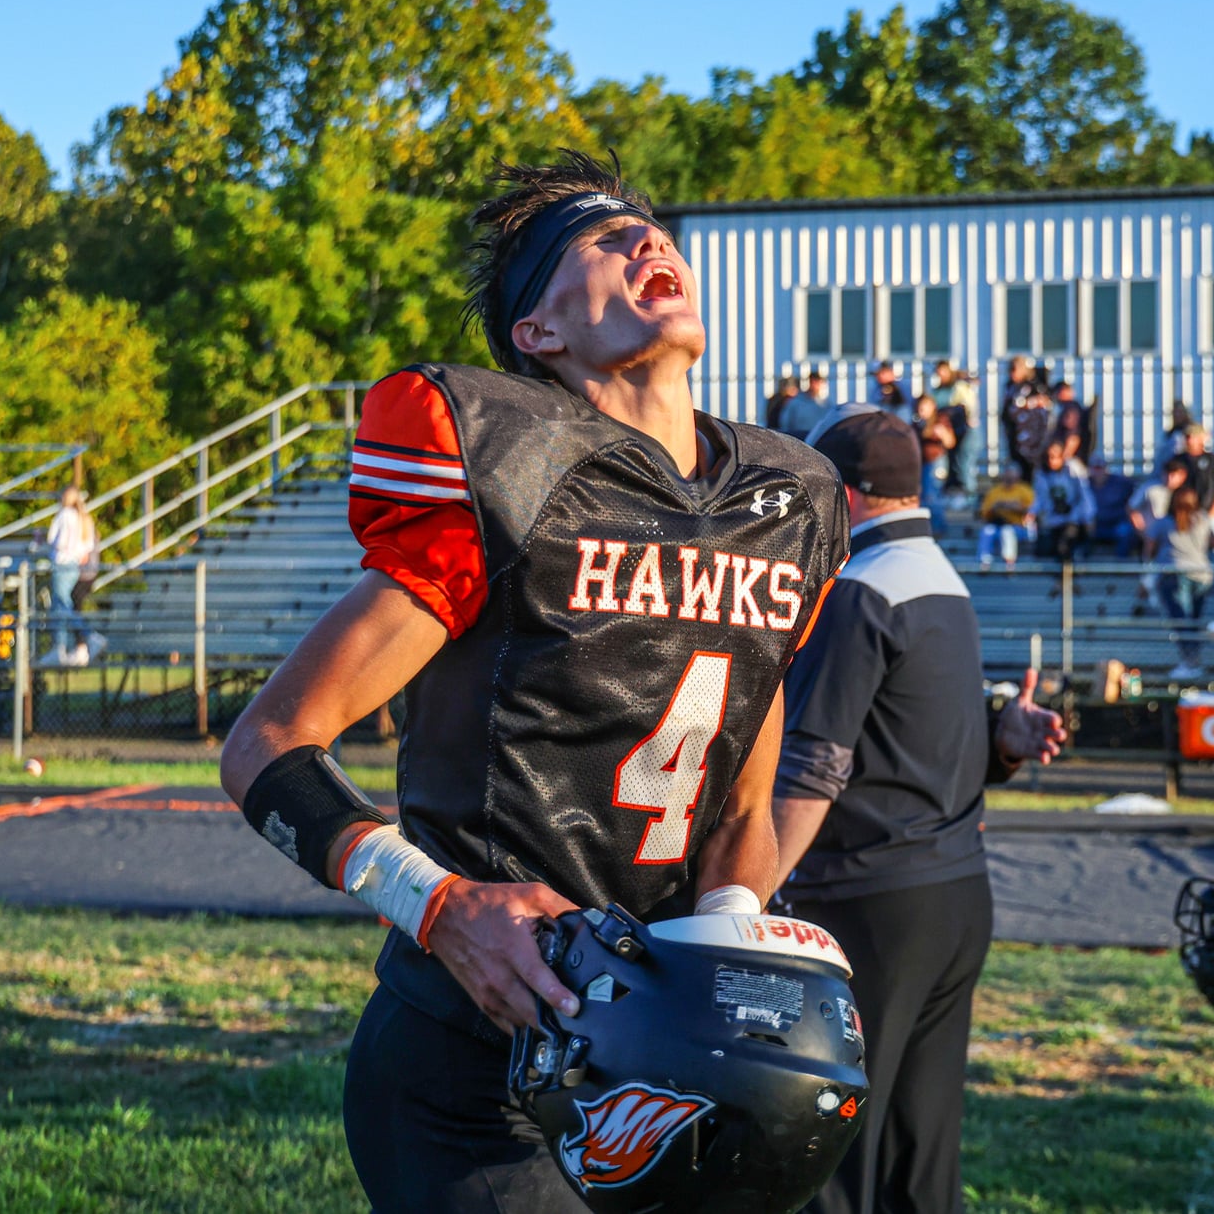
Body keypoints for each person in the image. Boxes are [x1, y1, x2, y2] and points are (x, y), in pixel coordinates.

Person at [216, 152, 848, 1212]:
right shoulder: (511, 463)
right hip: (477, 1058)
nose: (647, 241)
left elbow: (741, 798)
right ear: (536, 334)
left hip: (670, 1046)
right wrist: (440, 907)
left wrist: (729, 950)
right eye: (600, 239)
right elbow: (268, 742)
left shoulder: (785, 500)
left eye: (650, 227)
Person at [771, 406, 1066, 1214]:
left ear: (845, 493)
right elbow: (932, 738)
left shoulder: (860, 589)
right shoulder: (943, 576)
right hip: (956, 893)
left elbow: (815, 766)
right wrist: (1006, 737)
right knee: (919, 1158)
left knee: (829, 1149)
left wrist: (744, 892)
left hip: (870, 899)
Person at [1151, 485, 1214, 681]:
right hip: (1202, 575)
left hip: (1175, 574)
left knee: (1182, 622)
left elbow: (1150, 542)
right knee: (1193, 621)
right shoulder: (1203, 519)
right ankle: (1192, 661)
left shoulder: (1165, 522)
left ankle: (1190, 662)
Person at [45, 485, 98, 666]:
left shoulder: (64, 515)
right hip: (75, 565)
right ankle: (75, 642)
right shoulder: (83, 518)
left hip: (62, 563)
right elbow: (88, 546)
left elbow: (53, 539)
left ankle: (68, 644)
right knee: (63, 604)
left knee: (61, 606)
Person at [1030, 441, 1095, 562]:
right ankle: (1060, 579)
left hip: (1073, 519)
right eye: (1049, 457)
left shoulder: (1073, 470)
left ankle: (1068, 579)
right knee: (1044, 551)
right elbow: (1039, 497)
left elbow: (1085, 494)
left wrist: (1088, 517)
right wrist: (1032, 512)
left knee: (1065, 545)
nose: (1051, 461)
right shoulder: (1042, 475)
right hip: (1053, 520)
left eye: (1055, 457)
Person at [930, 361, 981, 492]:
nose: (941, 375)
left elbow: (969, 408)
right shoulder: (938, 390)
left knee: (965, 462)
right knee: (949, 463)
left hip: (965, 429)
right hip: (948, 431)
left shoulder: (960, 387)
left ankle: (969, 494)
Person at [977, 462, 1036, 570]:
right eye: (1008, 475)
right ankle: (985, 560)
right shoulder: (995, 491)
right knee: (987, 531)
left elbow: (1033, 511)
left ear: (1018, 476)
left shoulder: (1025, 490)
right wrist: (996, 507)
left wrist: (1017, 507)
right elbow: (984, 513)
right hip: (997, 524)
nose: (1010, 478)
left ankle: (1009, 562)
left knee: (1007, 531)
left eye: (1012, 475)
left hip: (1018, 526)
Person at [1169, 424, 1214, 526]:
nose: (1190, 440)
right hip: (1184, 513)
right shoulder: (1178, 460)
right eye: (1187, 436)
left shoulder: (1212, 460)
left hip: (1207, 512)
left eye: (1193, 436)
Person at [912, 393, 956, 533]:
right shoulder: (916, 423)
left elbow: (950, 442)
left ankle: (938, 528)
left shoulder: (940, 421)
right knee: (924, 495)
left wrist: (942, 434)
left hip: (936, 462)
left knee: (933, 495)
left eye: (924, 407)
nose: (921, 410)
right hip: (921, 463)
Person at [1086, 454, 1136, 556]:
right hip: (1093, 524)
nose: (1098, 471)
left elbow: (1135, 497)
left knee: (1126, 532)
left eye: (1101, 468)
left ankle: (1121, 567)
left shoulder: (1121, 483)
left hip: (1116, 523)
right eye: (1095, 468)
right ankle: (1082, 566)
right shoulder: (1084, 484)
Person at [780, 369, 832, 438]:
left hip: (817, 440)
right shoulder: (796, 402)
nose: (815, 385)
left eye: (818, 382)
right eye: (813, 381)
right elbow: (785, 423)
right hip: (798, 439)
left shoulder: (826, 405)